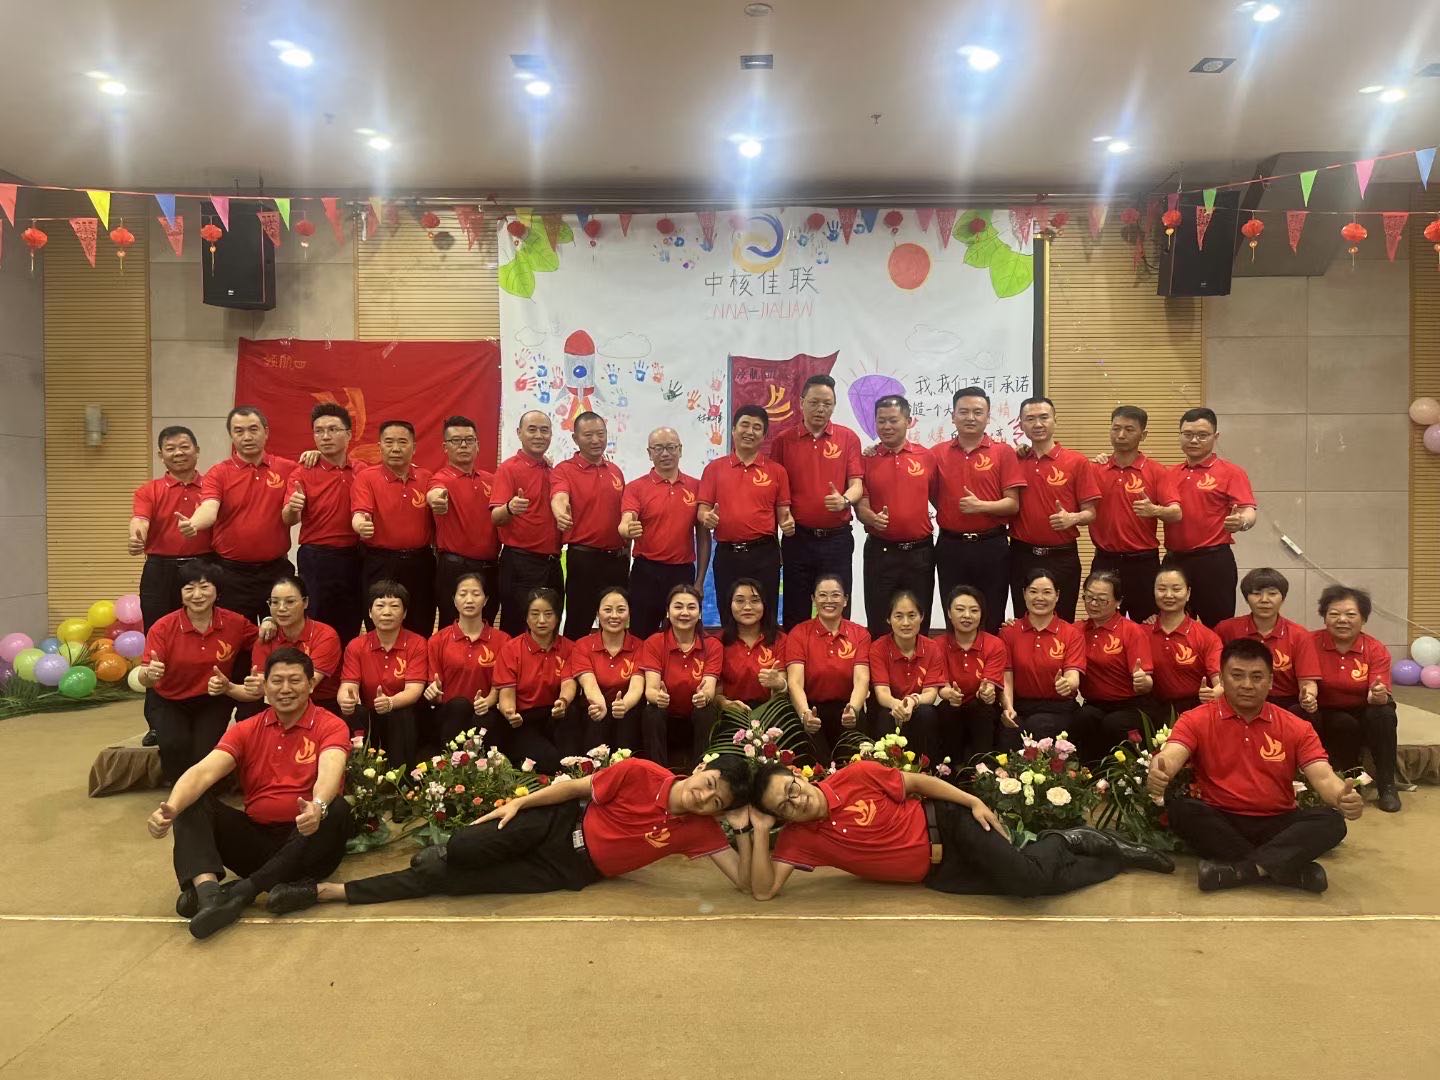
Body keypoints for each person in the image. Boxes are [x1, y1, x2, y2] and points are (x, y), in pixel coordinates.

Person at [264, 755, 754, 914]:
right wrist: (520, 802)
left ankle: (328, 891)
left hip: (567, 869)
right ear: (701, 768)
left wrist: (751, 829)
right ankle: (449, 853)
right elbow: (572, 788)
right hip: (557, 822)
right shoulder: (641, 772)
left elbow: (747, 884)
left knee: (449, 881)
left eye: (718, 801)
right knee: (462, 846)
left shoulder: (699, 830)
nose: (705, 797)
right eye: (710, 783)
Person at [145, 648, 353, 938]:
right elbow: (203, 772)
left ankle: (243, 891)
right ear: (265, 686)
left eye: (295, 680)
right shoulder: (247, 728)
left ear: (310, 685)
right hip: (259, 840)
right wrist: (169, 809)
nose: (285, 689)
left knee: (336, 808)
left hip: (308, 845)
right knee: (191, 801)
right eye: (277, 681)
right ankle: (209, 896)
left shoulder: (330, 725)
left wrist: (317, 806)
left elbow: (331, 770)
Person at [747, 759, 1172, 901]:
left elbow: (918, 782)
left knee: (1026, 880)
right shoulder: (800, 838)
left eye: (791, 789)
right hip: (939, 875)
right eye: (783, 807)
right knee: (1027, 884)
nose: (795, 801)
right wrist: (760, 831)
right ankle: (1108, 852)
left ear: (797, 776)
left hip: (950, 825)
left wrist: (971, 802)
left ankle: (1064, 839)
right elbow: (764, 891)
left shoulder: (856, 775)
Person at [1147, 638, 1363, 893]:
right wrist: (1160, 771)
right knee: (1182, 811)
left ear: (1270, 681)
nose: (1247, 685)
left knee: (1332, 822)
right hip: (1221, 820)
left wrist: (1342, 797)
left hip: (1277, 821)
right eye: (1237, 676)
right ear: (1222, 679)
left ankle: (1243, 871)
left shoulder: (1296, 726)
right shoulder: (1196, 719)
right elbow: (1172, 754)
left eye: (1257, 677)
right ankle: (1286, 870)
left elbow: (1323, 777)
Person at [138, 560, 258, 782]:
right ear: (180, 593)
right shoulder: (163, 627)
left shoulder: (235, 623)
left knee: (207, 752)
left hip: (213, 698)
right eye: (189, 588)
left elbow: (265, 641)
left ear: (217, 591)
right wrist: (148, 675)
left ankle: (204, 793)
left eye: (204, 587)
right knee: (174, 745)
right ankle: (183, 793)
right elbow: (144, 677)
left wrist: (269, 622)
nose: (197, 595)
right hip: (170, 699)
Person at [130, 424, 212, 745]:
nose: (178, 453)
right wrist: (136, 536)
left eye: (184, 446)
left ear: (197, 450)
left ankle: (205, 717)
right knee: (158, 644)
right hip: (160, 571)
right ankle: (157, 722)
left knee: (204, 641)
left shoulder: (212, 487)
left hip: (203, 568)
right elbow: (140, 520)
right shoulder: (149, 490)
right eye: (171, 448)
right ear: (160, 455)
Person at [180, 407, 297, 624]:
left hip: (276, 570)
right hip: (231, 573)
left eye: (253, 429)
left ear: (266, 432)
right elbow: (209, 508)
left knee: (281, 632)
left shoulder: (287, 468)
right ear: (231, 436)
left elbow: (292, 514)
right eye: (239, 431)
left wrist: (314, 454)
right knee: (236, 634)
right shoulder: (219, 472)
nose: (247, 437)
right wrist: (194, 523)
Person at [768, 374, 864, 629]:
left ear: (834, 406)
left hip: (836, 540)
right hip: (797, 538)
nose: (821, 409)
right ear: (801, 403)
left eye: (827, 403)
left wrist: (844, 500)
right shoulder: (783, 441)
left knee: (837, 607)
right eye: (814, 402)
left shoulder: (848, 438)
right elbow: (774, 489)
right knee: (795, 610)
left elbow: (857, 486)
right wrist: (783, 518)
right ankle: (796, 654)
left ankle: (840, 654)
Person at [930, 387, 1025, 633]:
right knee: (954, 613)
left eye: (977, 412)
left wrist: (980, 507)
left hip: (991, 546)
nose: (970, 417)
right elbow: (931, 495)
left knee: (991, 613)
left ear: (988, 416)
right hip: (951, 546)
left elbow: (1012, 504)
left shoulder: (1003, 452)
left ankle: (991, 658)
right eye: (963, 412)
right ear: (953, 416)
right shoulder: (937, 453)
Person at [698, 405, 795, 629]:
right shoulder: (714, 469)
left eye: (757, 427)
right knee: (729, 616)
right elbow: (703, 510)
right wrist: (706, 518)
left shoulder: (777, 471)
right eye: (744, 425)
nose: (750, 431)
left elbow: (784, 514)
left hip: (764, 554)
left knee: (766, 616)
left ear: (764, 435)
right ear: (733, 430)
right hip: (727, 555)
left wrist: (788, 524)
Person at [1306, 585, 1401, 813]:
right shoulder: (1309, 643)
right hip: (1328, 710)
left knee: (1384, 714)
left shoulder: (1375, 649)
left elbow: (1377, 694)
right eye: (1334, 614)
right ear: (1324, 617)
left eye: (1350, 614)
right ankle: (1351, 776)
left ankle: (1387, 785)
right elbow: (1306, 681)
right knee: (1342, 723)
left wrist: (1377, 695)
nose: (1342, 620)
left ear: (1363, 618)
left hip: (1365, 707)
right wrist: (1308, 695)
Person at [1162, 408, 1257, 628]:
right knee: (1173, 626)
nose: (1194, 440)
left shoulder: (1231, 472)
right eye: (1187, 434)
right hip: (1174, 561)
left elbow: (1248, 510)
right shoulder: (1169, 474)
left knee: (1218, 628)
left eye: (1202, 435)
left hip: (1213, 562)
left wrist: (1242, 522)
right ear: (1179, 435)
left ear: (1215, 436)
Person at [1010, 397, 1100, 621]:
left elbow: (1091, 513)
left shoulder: (1076, 461)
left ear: (1055, 420)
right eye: (1030, 419)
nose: (1038, 424)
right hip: (1021, 555)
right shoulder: (1014, 461)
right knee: (1024, 620)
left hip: (1062, 557)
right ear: (1021, 424)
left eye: (1044, 417)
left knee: (1063, 620)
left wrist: (1073, 518)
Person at [1087, 405, 1180, 623]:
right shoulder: (1094, 469)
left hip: (1143, 564)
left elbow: (1176, 513)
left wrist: (1154, 510)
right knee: (1101, 623)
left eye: (1129, 429)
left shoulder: (1156, 471)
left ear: (1143, 435)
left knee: (1148, 625)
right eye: (1116, 428)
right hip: (1104, 560)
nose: (1121, 435)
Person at [857, 394, 937, 637]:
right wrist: (870, 517)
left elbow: (940, 499)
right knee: (879, 621)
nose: (887, 426)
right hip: (881, 552)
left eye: (893, 420)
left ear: (908, 421)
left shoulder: (927, 457)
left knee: (919, 620)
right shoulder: (866, 459)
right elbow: (861, 505)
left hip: (920, 553)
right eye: (881, 421)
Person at [620, 427, 710, 637]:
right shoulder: (635, 487)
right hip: (646, 572)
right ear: (649, 453)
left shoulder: (697, 487)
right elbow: (627, 520)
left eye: (671, 447)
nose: (665, 453)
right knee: (641, 634)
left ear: (680, 450)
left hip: (682, 572)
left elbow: (703, 537)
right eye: (658, 448)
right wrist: (626, 528)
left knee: (682, 634)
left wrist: (699, 581)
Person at [285, 403, 363, 645]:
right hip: (316, 558)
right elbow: (289, 519)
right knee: (315, 623)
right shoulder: (302, 472)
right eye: (319, 431)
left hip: (355, 556)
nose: (325, 436)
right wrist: (293, 507)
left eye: (332, 429)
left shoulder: (362, 471)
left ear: (348, 434)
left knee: (351, 622)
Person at [351, 419, 436, 636]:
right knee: (380, 623)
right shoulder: (367, 477)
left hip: (420, 563)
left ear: (414, 447)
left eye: (402, 442)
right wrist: (361, 524)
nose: (396, 448)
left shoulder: (427, 478)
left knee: (421, 623)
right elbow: (360, 512)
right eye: (389, 442)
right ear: (380, 447)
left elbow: (438, 500)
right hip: (380, 562)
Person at [552, 411, 628, 639]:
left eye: (600, 434)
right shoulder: (564, 470)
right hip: (584, 560)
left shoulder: (615, 471)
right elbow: (559, 496)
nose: (596, 440)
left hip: (617, 560)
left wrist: (627, 551)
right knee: (579, 622)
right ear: (575, 438)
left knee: (616, 624)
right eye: (588, 435)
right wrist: (560, 512)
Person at [337, 580, 429, 770]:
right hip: (371, 716)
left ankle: (402, 778)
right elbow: (348, 686)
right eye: (380, 606)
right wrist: (345, 700)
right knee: (352, 712)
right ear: (370, 612)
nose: (387, 612)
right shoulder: (356, 645)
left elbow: (414, 690)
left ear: (404, 613)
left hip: (404, 717)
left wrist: (390, 702)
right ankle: (360, 775)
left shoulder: (417, 643)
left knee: (402, 714)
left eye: (394, 606)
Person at [491, 410, 564, 636]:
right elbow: (496, 517)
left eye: (544, 430)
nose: (539, 435)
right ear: (519, 433)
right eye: (532, 430)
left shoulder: (554, 471)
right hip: (520, 562)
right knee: (516, 629)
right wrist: (510, 508)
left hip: (552, 563)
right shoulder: (509, 468)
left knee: (550, 630)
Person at [785, 574, 871, 762]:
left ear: (845, 600)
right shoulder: (799, 633)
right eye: (822, 595)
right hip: (811, 708)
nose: (829, 601)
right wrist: (805, 715)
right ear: (813, 599)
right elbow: (795, 682)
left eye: (835, 595)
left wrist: (854, 709)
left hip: (847, 708)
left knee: (852, 764)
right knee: (816, 766)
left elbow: (861, 679)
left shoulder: (860, 634)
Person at [998, 568, 1087, 750]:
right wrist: (1008, 708)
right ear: (1024, 594)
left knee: (1038, 725)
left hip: (1059, 708)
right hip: (1021, 706)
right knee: (1009, 731)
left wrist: (1067, 684)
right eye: (1033, 591)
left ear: (1057, 595)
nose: (1040, 598)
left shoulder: (1071, 633)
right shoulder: (1009, 632)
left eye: (1047, 592)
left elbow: (1073, 676)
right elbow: (1007, 676)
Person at [428, 415, 501, 629]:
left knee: (487, 627)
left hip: (490, 567)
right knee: (452, 628)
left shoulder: (492, 480)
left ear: (477, 445)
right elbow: (434, 493)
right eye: (456, 440)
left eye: (469, 440)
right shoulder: (441, 479)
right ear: (445, 447)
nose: (463, 445)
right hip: (454, 567)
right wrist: (436, 501)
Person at [491, 587, 575, 773]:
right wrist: (509, 713)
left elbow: (568, 683)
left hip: (555, 715)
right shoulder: (511, 649)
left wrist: (563, 701)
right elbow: (506, 695)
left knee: (568, 759)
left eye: (548, 614)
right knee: (551, 762)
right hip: (523, 721)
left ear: (557, 617)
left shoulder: (569, 648)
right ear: (527, 618)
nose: (541, 620)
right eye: (535, 614)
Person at [1215, 568, 1320, 714]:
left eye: (1272, 594)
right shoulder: (1226, 629)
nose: (1264, 600)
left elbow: (1308, 682)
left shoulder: (1299, 635)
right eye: (1256, 594)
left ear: (1283, 598)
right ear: (1246, 598)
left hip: (1285, 702)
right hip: (1240, 697)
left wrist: (1308, 696)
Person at [640, 584, 723, 767]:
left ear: (699, 613)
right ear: (667, 612)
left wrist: (704, 696)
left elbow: (709, 688)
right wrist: (658, 697)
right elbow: (651, 690)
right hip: (667, 720)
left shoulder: (713, 645)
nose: (684, 613)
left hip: (695, 720)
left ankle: (701, 771)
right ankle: (656, 774)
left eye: (691, 607)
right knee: (652, 712)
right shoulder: (654, 642)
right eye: (678, 607)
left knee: (707, 711)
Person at [423, 573, 509, 749]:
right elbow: (436, 693)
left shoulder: (503, 641)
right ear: (454, 600)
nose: (469, 600)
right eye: (462, 594)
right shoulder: (437, 641)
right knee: (459, 706)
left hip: (486, 714)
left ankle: (485, 765)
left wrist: (488, 701)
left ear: (486, 600)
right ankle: (450, 762)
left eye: (476, 594)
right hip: (449, 715)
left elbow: (503, 686)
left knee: (485, 717)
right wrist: (433, 695)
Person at [1075, 569, 1155, 754]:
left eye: (1102, 600)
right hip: (1094, 704)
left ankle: (1126, 770)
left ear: (1118, 602)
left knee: (1113, 724)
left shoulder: (1132, 631)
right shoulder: (1077, 630)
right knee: (1082, 718)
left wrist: (1143, 681)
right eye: (1089, 597)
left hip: (1130, 705)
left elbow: (1146, 683)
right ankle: (1088, 770)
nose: (1093, 604)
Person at [245, 575, 343, 717]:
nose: (281, 608)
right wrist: (229, 688)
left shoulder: (326, 635)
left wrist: (265, 688)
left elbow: (307, 684)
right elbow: (260, 682)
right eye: (275, 602)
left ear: (305, 602)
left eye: (290, 601)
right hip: (279, 701)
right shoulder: (266, 637)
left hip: (322, 704)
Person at [936, 585, 1010, 769]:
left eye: (974, 610)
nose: (967, 616)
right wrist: (949, 693)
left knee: (983, 708)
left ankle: (982, 772)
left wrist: (987, 691)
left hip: (981, 706)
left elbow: (989, 684)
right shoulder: (936, 645)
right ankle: (951, 770)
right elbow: (941, 686)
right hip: (952, 705)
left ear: (982, 614)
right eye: (960, 609)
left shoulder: (995, 644)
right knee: (946, 710)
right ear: (949, 613)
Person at [564, 586, 644, 755]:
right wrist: (599, 704)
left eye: (621, 610)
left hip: (626, 710)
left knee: (630, 720)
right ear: (597, 614)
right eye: (607, 610)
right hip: (595, 708)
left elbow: (636, 687)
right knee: (593, 717)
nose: (614, 616)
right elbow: (589, 684)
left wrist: (624, 705)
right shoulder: (582, 645)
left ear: (629, 614)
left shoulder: (640, 646)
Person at [868, 590, 947, 763]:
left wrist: (912, 701)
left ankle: (928, 770)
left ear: (922, 617)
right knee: (885, 716)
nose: (906, 623)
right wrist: (897, 705)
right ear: (888, 619)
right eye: (898, 616)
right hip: (889, 706)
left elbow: (930, 694)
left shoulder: (932, 648)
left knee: (927, 714)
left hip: (918, 707)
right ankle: (888, 771)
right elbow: (882, 693)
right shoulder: (878, 648)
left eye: (912, 616)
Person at [1149, 563, 1222, 718]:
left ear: (1188, 593)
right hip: (1152, 707)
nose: (1169, 595)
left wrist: (1214, 692)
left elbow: (1221, 682)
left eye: (1176, 589)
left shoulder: (1207, 636)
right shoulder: (1141, 632)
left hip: (1195, 708)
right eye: (1162, 589)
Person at [717, 578, 789, 712]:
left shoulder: (780, 639)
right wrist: (724, 704)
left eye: (755, 601)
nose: (747, 607)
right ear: (729, 605)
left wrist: (780, 684)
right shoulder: (718, 641)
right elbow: (715, 693)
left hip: (770, 712)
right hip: (731, 712)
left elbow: (783, 685)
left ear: (764, 605)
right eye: (740, 601)